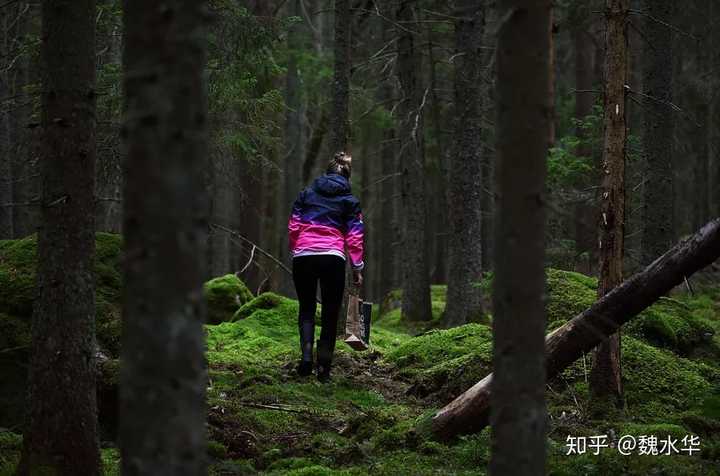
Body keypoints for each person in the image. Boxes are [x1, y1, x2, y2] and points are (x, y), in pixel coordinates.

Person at [288, 151, 364, 382]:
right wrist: (357, 267)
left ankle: (306, 359)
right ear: (347, 177)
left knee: (306, 308)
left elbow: (294, 225)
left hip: (304, 256)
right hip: (333, 257)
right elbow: (355, 236)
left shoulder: (306, 194)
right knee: (331, 314)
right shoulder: (350, 202)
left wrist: (297, 248)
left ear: (327, 172)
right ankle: (323, 369)